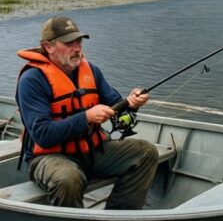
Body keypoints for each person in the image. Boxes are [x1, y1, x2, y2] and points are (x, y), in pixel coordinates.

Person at [15, 15, 158, 209]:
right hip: (49, 157)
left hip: (92, 151)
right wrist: (86, 117)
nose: (77, 49)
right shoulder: (32, 80)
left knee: (146, 152)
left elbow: (120, 114)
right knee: (68, 179)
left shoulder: (91, 71)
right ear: (48, 47)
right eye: (68, 43)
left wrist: (132, 104)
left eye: (79, 42)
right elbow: (42, 135)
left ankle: (117, 220)